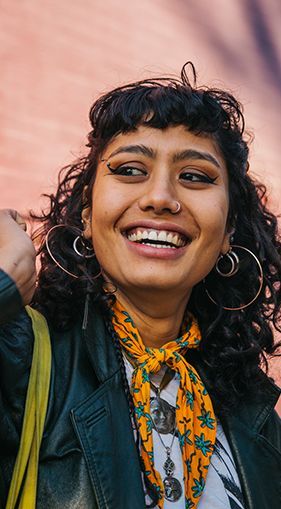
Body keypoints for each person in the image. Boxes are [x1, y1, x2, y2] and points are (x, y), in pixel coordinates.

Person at [0, 63, 280, 509]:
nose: (161, 197)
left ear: (228, 230)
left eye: (195, 176)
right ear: (87, 215)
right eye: (130, 169)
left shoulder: (254, 413)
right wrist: (5, 284)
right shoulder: (21, 360)